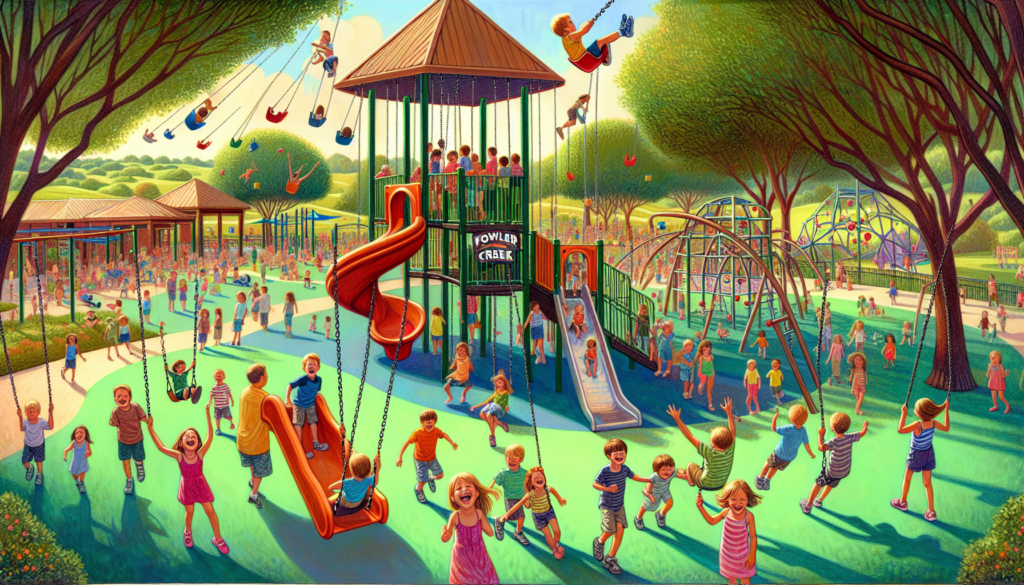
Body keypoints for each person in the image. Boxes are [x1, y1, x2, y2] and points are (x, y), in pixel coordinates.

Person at [146, 404, 230, 554]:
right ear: (181, 443)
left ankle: (218, 538)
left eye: (194, 437)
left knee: (210, 511)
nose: (191, 438)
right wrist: (150, 429)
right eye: (187, 436)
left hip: (200, 485)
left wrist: (207, 413)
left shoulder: (200, 454)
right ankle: (187, 531)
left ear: (198, 443)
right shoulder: (179, 456)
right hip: (187, 486)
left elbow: (210, 436)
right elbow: (161, 447)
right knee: (189, 511)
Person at [592, 438, 652, 576]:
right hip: (606, 505)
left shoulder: (624, 469)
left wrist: (648, 479)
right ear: (609, 456)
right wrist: (607, 488)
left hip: (619, 505)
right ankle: (599, 541)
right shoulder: (605, 471)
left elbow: (634, 476)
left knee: (619, 531)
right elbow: (595, 484)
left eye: (622, 452)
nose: (620, 455)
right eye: (616, 453)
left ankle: (610, 559)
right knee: (610, 530)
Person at [891, 398, 950, 522]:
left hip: (916, 454)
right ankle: (931, 511)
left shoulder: (917, 425)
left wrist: (904, 413)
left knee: (907, 478)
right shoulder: (933, 423)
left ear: (921, 413)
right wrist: (946, 410)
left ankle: (902, 503)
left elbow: (900, 430)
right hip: (928, 453)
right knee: (927, 482)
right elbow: (946, 428)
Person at [696, 480, 761, 585]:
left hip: (743, 556)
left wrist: (752, 555)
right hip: (727, 556)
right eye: (733, 499)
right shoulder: (726, 512)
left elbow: (753, 537)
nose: (738, 503)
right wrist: (700, 507)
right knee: (731, 580)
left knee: (745, 580)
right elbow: (712, 521)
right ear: (727, 500)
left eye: (742, 499)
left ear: (748, 500)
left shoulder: (748, 516)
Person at [801, 412, 868, 513]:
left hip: (831, 471)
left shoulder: (834, 442)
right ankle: (818, 501)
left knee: (819, 483)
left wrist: (820, 435)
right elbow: (862, 433)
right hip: (843, 471)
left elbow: (821, 448)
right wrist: (865, 427)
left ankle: (808, 505)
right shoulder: (850, 437)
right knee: (831, 485)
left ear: (832, 428)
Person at [441, 472, 500, 585]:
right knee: (463, 580)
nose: (464, 490)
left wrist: (493, 525)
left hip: (479, 554)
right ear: (453, 497)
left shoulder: (479, 514)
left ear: (477, 493)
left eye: (468, 486)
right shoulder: (455, 516)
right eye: (459, 488)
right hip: (461, 557)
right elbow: (447, 537)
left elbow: (490, 533)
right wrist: (444, 535)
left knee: (483, 579)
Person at [667, 400, 736, 491]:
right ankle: (690, 476)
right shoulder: (730, 448)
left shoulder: (710, 452)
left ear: (713, 445)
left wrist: (677, 418)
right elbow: (733, 431)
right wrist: (729, 413)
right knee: (699, 470)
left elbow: (689, 436)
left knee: (690, 466)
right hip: (721, 484)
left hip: (705, 483)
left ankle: (690, 480)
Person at [500, 467, 567, 559]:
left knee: (557, 532)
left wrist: (559, 499)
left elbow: (553, 490)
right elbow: (518, 505)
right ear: (531, 483)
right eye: (535, 477)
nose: (539, 477)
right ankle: (554, 549)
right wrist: (507, 514)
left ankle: (556, 544)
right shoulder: (530, 495)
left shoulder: (547, 489)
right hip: (538, 517)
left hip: (549, 511)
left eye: (540, 476)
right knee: (548, 534)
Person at [396, 409, 458, 504]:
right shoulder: (418, 432)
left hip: (432, 459)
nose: (429, 422)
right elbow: (407, 442)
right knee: (422, 481)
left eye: (431, 420)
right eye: (426, 420)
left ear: (434, 422)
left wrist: (452, 442)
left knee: (440, 475)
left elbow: (443, 434)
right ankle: (418, 490)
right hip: (420, 460)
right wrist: (399, 457)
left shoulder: (436, 431)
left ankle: (431, 478)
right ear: (422, 422)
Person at [754, 405, 813, 491]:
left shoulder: (789, 428)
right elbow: (806, 444)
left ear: (791, 419)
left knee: (769, 463)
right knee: (775, 467)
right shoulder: (803, 431)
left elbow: (773, 428)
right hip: (789, 458)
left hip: (779, 453)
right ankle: (767, 480)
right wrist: (811, 454)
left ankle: (760, 478)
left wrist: (775, 416)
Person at [238, 364, 272, 509]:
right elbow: (272, 418)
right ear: (262, 378)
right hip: (258, 443)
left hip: (243, 441)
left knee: (252, 464)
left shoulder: (245, 391)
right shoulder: (264, 397)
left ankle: (252, 481)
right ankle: (254, 493)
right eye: (266, 374)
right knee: (260, 469)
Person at [286, 353, 328, 459]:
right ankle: (299, 447)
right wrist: (288, 400)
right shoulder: (303, 379)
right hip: (299, 404)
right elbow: (290, 386)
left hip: (310, 404)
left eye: (314, 365)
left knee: (313, 421)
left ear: (318, 368)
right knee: (298, 423)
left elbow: (316, 392)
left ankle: (316, 442)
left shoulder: (319, 380)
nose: (311, 367)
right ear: (304, 369)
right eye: (309, 365)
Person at [109, 384, 147, 494]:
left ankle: (139, 466)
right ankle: (129, 480)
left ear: (130, 397)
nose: (122, 398)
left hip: (137, 438)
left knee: (138, 458)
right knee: (125, 461)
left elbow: (143, 418)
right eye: (119, 396)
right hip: (123, 441)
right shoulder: (115, 412)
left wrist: (148, 420)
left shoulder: (135, 407)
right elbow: (115, 424)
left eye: (125, 396)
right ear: (115, 399)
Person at [490, 443, 530, 546]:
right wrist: (488, 490)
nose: (511, 460)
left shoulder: (525, 473)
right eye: (509, 458)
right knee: (511, 516)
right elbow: (495, 480)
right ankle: (499, 520)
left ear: (521, 459)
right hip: (510, 498)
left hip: (521, 498)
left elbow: (529, 484)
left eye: (515, 458)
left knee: (521, 516)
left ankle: (518, 532)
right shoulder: (504, 473)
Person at [634, 454, 685, 530]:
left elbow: (681, 473)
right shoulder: (653, 477)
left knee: (670, 503)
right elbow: (646, 489)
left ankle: (660, 515)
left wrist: (691, 477)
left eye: (670, 469)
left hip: (664, 491)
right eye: (664, 469)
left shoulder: (672, 473)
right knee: (645, 506)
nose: (667, 472)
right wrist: (650, 496)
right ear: (657, 470)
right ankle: (638, 518)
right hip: (653, 493)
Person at [470, 370, 513, 448]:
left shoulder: (506, 392)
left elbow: (508, 389)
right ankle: (500, 423)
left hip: (499, 410)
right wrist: (475, 406)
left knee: (489, 414)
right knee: (482, 414)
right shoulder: (496, 392)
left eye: (500, 382)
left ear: (504, 383)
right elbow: (485, 402)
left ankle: (492, 436)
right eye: (497, 383)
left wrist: (499, 377)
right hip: (492, 408)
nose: (498, 384)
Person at [19, 399, 55, 486]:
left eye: (34, 412)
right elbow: (21, 428)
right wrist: (20, 417)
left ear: (38, 412)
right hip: (28, 445)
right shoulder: (25, 422)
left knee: (39, 461)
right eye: (30, 412)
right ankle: (30, 467)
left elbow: (50, 426)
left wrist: (50, 412)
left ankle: (39, 475)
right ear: (26, 412)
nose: (32, 414)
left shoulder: (41, 422)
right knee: (24, 461)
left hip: (39, 445)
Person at [62, 425, 93, 495]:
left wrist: (89, 453)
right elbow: (66, 450)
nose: (79, 434)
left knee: (82, 473)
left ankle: (81, 483)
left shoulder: (86, 442)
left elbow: (89, 451)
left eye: (82, 433)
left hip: (83, 462)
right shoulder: (74, 442)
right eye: (77, 433)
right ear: (74, 435)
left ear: (85, 435)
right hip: (75, 462)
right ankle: (77, 481)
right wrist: (64, 455)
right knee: (74, 475)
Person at [208, 369, 234, 434]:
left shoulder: (225, 386)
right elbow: (211, 397)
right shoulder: (213, 388)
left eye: (220, 375)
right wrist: (208, 404)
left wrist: (232, 400)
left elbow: (229, 394)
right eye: (216, 376)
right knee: (217, 418)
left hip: (225, 406)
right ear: (214, 378)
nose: (218, 376)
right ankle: (218, 429)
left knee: (228, 416)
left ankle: (231, 423)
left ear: (224, 377)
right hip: (217, 407)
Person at [695, 340, 717, 411]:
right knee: (702, 385)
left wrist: (713, 372)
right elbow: (700, 367)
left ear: (710, 348)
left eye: (708, 349)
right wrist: (700, 377)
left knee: (709, 391)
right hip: (703, 374)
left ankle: (710, 404)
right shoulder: (701, 357)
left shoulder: (711, 357)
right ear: (701, 350)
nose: (706, 351)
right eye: (704, 350)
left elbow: (712, 366)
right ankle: (700, 386)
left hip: (711, 374)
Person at [848, 352, 868, 416]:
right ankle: (857, 410)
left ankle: (857, 409)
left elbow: (865, 376)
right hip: (855, 385)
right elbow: (851, 375)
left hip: (862, 386)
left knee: (860, 398)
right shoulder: (854, 369)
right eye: (856, 361)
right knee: (857, 398)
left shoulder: (863, 369)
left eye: (860, 360)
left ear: (863, 361)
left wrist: (866, 382)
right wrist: (850, 380)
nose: (859, 362)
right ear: (854, 362)